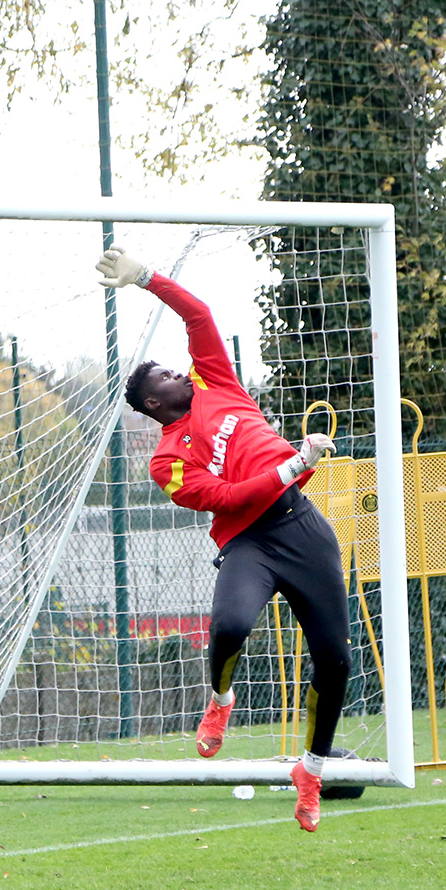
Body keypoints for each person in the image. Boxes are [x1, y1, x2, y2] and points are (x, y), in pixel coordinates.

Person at [95, 247, 349, 833]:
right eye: (165, 376)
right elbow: (231, 501)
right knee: (231, 627)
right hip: (250, 544)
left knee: (335, 660)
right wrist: (294, 464)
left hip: (303, 530)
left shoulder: (215, 379)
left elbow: (199, 317)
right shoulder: (165, 461)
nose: (179, 372)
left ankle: (310, 770)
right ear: (154, 404)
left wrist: (147, 279)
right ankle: (221, 699)